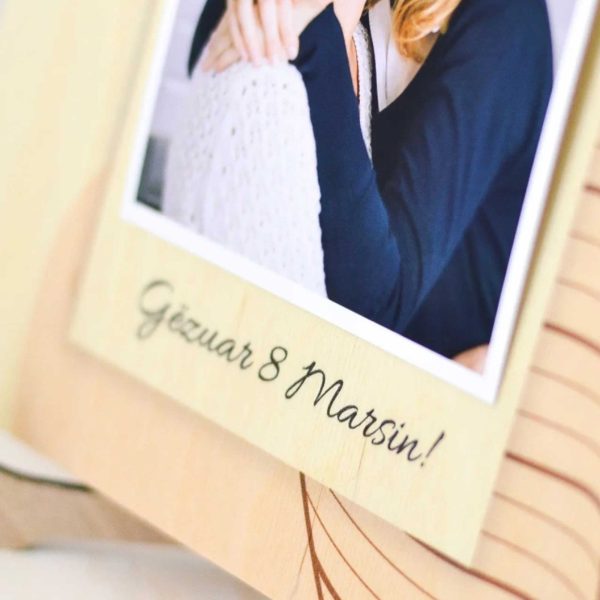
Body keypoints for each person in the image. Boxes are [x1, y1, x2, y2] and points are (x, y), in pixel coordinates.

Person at [182, 0, 553, 364]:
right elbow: (212, 67)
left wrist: (310, 32)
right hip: (293, 351)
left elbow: (375, 309)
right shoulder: (361, 17)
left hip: (407, 385)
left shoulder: (505, 20)